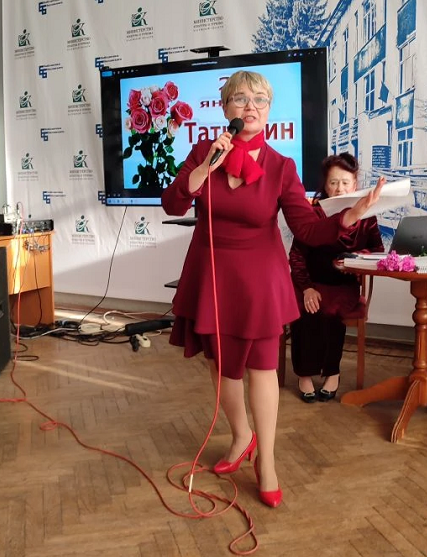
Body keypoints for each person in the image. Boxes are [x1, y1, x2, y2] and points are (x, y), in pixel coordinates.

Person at [161, 71, 384, 508]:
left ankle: (267, 461)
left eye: (259, 100)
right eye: (240, 99)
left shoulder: (281, 167)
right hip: (211, 276)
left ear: (269, 110)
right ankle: (241, 436)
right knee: (222, 368)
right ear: (225, 108)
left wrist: (350, 215)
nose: (250, 107)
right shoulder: (204, 151)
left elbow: (308, 229)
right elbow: (173, 202)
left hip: (260, 281)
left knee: (262, 368)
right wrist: (207, 167)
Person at [288, 153, 384, 402]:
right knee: (307, 310)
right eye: (333, 182)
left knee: (331, 311)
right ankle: (304, 374)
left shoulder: (366, 217)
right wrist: (306, 288)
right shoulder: (312, 213)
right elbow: (296, 256)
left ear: (355, 184)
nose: (339, 188)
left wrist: (354, 259)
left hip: (343, 285)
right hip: (309, 283)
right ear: (325, 185)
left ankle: (332, 371)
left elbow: (377, 251)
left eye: (345, 182)